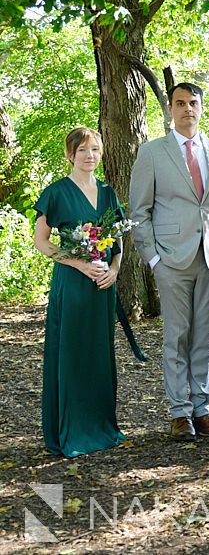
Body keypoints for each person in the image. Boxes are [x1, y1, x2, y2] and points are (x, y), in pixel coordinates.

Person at [130, 82, 209, 441]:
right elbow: (139, 212)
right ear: (170, 109)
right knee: (177, 335)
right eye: (180, 103)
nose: (187, 108)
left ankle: (202, 409)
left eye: (193, 103)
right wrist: (153, 258)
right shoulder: (152, 153)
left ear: (201, 107)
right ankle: (179, 412)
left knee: (204, 334)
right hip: (171, 258)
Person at [32, 127, 127, 457]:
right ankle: (71, 430)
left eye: (95, 149)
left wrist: (114, 271)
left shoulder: (108, 192)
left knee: (99, 353)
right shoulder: (56, 192)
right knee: (72, 352)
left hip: (102, 286)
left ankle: (101, 426)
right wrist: (78, 264)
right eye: (83, 150)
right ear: (70, 154)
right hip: (72, 284)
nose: (90, 155)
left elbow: (118, 241)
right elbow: (41, 242)